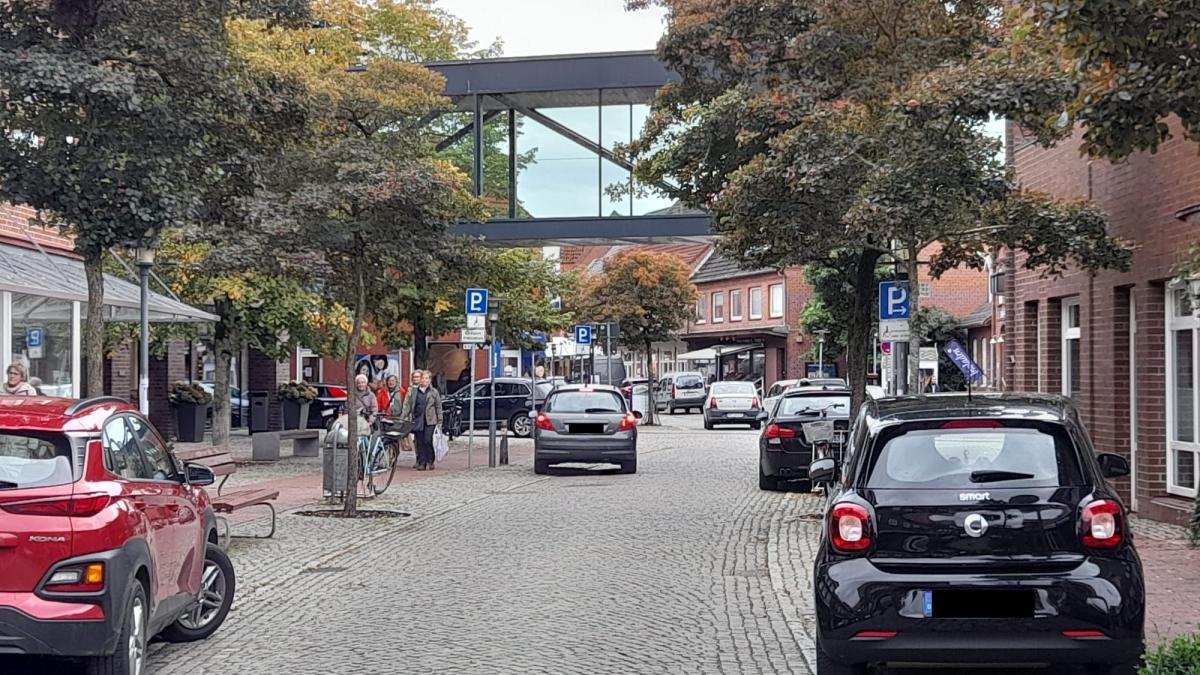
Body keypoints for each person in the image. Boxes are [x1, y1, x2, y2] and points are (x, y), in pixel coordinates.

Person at [401, 370, 442, 471]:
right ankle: (422, 462)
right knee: (419, 442)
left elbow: (438, 406)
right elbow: (409, 405)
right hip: (418, 419)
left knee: (427, 440)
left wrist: (440, 421)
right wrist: (404, 416)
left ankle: (430, 459)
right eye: (423, 378)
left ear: (430, 380)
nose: (424, 380)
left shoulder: (434, 392)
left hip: (430, 420)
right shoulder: (414, 391)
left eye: (427, 378)